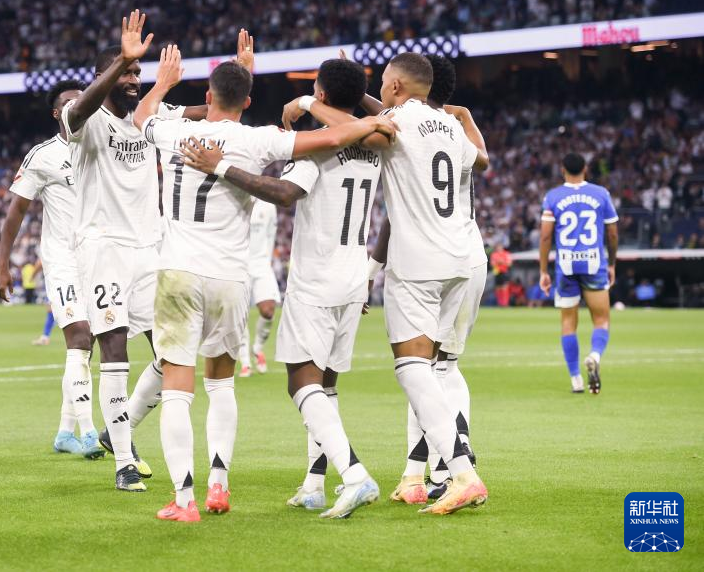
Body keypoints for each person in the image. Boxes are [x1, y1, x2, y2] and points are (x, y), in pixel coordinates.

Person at [139, 43, 395, 522]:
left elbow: (142, 116)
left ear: (208, 95)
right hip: (249, 277)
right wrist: (329, 103)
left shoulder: (173, 132)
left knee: (180, 388)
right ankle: (236, 484)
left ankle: (185, 498)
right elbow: (362, 128)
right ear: (249, 101)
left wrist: (164, 84)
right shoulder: (263, 140)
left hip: (184, 269)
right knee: (233, 385)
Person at [60, 11, 209, 492]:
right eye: (125, 73)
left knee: (173, 350)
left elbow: (204, 114)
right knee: (114, 347)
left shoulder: (149, 116)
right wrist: (119, 63)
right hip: (103, 248)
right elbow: (77, 111)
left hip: (151, 248)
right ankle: (124, 461)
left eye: (136, 73)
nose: (132, 79)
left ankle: (115, 430)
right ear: (104, 77)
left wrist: (235, 81)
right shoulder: (87, 120)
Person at [352, 52, 489, 515]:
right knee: (437, 367)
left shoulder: (396, 122)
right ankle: (416, 474)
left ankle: (458, 471)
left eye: (384, 81)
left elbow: (362, 126)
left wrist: (315, 101)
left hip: (419, 264)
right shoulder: (450, 125)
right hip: (460, 259)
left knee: (416, 368)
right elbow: (481, 160)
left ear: (395, 86)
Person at [0, 78, 104, 460]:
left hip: (99, 259)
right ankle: (90, 434)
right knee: (79, 337)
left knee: (88, 345)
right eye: (71, 101)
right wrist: (2, 264)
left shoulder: (101, 146)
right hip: (62, 260)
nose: (80, 105)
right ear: (58, 113)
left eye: (84, 99)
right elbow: (16, 212)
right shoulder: (43, 155)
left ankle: (64, 432)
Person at [539, 153, 619, 394]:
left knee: (568, 323)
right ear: (585, 168)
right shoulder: (601, 194)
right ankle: (595, 355)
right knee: (601, 320)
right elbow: (612, 233)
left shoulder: (553, 196)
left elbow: (545, 236)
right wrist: (612, 264)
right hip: (594, 263)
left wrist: (543, 270)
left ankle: (575, 379)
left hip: (566, 265)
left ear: (562, 169)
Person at [240, 198, 279, 376]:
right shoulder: (236, 198)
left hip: (262, 264)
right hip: (239, 263)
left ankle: (257, 348)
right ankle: (245, 362)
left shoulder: (269, 205)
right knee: (239, 316)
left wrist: (267, 260)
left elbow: (271, 234)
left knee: (268, 310)